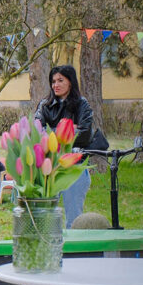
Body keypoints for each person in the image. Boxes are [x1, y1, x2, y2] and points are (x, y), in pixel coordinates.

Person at [34, 65, 97, 227]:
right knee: (46, 216)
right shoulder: (44, 105)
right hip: (50, 167)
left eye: (61, 80)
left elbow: (84, 135)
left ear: (71, 82)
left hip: (74, 167)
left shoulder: (82, 105)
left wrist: (52, 134)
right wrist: (67, 129)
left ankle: (73, 251)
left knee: (74, 217)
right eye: (53, 81)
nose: (56, 85)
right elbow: (37, 132)